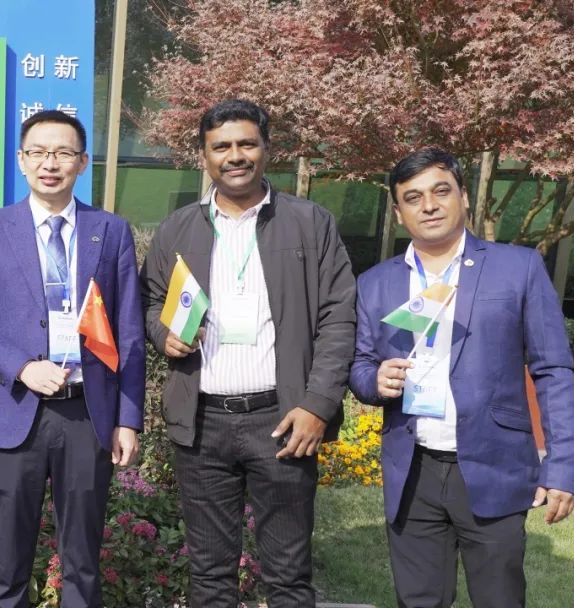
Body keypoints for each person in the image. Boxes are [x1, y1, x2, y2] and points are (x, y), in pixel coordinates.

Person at [140, 99, 357, 608]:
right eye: (221, 146)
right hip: (203, 423)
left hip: (282, 421)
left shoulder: (310, 223)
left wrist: (317, 405)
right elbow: (152, 302)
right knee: (209, 576)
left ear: (266, 148)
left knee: (288, 575)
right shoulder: (177, 229)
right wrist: (162, 333)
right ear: (204, 156)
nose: (234, 155)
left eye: (246, 144)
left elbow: (339, 317)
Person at [349, 146, 574, 608]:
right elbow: (358, 365)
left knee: (498, 599)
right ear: (398, 213)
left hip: (493, 464)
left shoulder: (518, 268)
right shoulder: (374, 283)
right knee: (419, 600)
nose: (429, 206)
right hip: (412, 469)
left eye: (441, 191)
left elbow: (554, 371)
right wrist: (374, 380)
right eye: (413, 197)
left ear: (464, 198)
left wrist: (562, 468)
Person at [0, 110, 145, 608]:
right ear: (21, 160)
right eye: (38, 152)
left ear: (82, 161)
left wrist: (128, 419)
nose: (50, 163)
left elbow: (129, 331)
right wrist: (21, 367)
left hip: (88, 413)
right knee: (8, 560)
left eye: (62, 153)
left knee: (82, 560)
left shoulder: (110, 231)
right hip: (16, 411)